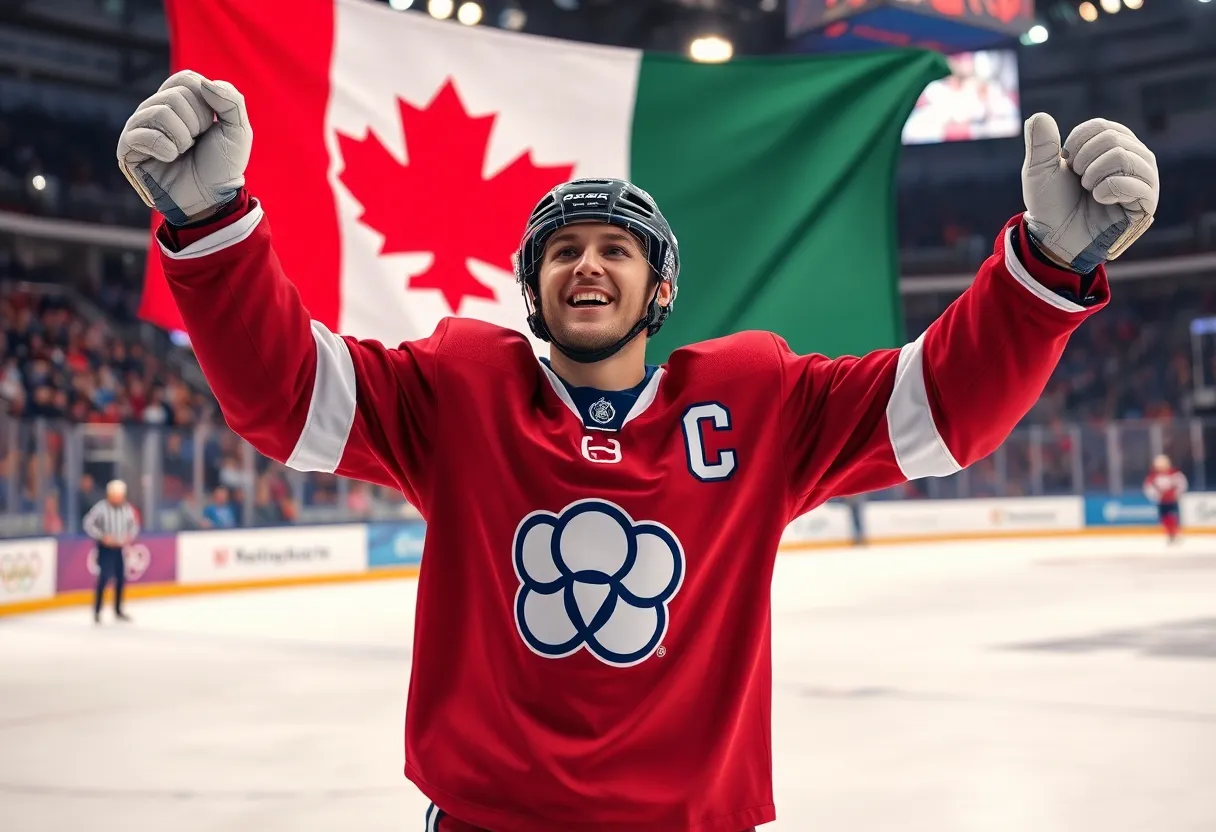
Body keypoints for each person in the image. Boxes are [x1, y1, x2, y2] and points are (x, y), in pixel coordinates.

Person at [117, 70, 1159, 832]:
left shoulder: (757, 400)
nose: (587, 266)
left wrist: (1041, 272)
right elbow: (285, 394)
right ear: (533, 293)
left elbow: (943, 408)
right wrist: (212, 225)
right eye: (563, 251)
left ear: (659, 290)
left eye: (616, 249)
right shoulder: (459, 389)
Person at [82, 478, 140, 623]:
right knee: (104, 578)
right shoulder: (101, 508)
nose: (118, 498)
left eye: (120, 496)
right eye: (115, 496)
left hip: (119, 548)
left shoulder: (127, 509)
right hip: (105, 549)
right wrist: (102, 537)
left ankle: (118, 610)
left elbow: (134, 525)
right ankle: (97, 610)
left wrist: (128, 537)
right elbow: (88, 523)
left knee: (120, 578)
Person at [1144, 454, 1187, 543]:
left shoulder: (1174, 474)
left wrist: (1177, 494)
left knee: (1174, 517)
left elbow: (1182, 484)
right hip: (1162, 501)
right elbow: (1148, 488)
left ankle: (1175, 533)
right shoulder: (1153, 476)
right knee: (1164, 518)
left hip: (1172, 500)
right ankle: (1170, 534)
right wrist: (1156, 495)